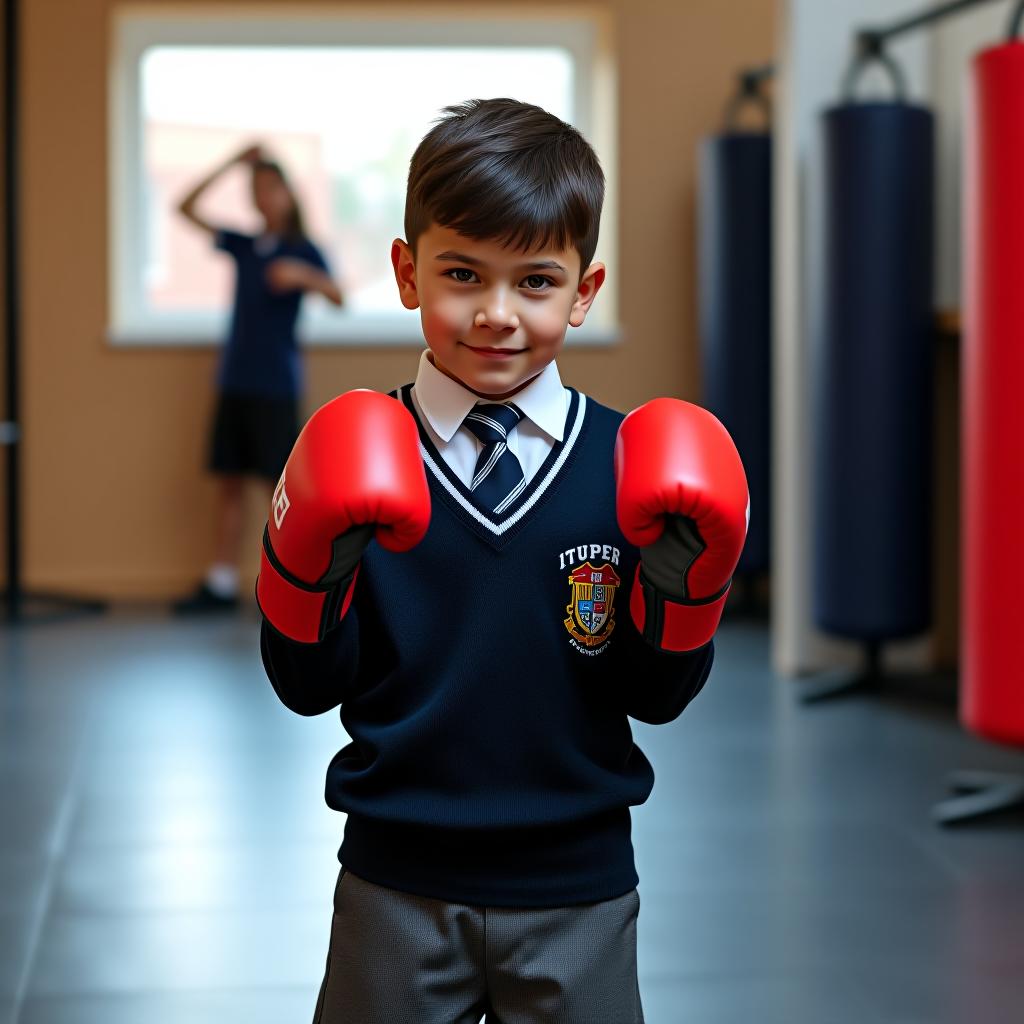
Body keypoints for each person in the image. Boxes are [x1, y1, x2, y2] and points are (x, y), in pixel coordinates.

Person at [257, 99, 748, 1023]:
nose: (495, 314)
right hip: (396, 879)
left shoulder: (628, 468)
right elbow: (303, 684)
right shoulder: (359, 454)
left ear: (585, 291)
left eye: (535, 282)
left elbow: (659, 697)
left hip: (581, 884)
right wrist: (307, 575)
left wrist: (685, 590)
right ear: (407, 273)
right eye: (460, 274)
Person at [173, 143, 344, 614]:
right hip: (235, 381)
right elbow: (184, 207)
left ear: (289, 193)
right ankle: (221, 583)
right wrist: (231, 163)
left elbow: (338, 296)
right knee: (228, 481)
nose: (262, 197)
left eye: (270, 187)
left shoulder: (303, 250)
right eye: (255, 189)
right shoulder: (245, 245)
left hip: (275, 385)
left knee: (280, 488)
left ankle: (290, 584)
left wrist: (303, 277)